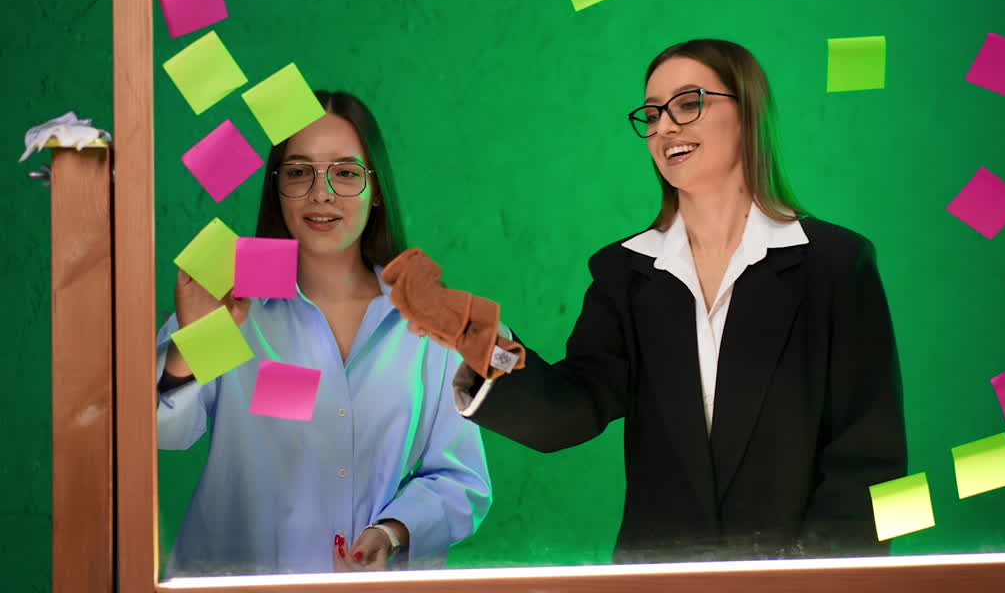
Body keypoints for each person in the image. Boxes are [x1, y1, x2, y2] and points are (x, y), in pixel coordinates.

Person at [442, 39, 907, 563]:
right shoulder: (625, 273)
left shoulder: (838, 265)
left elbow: (872, 460)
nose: (664, 127)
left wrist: (808, 580)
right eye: (652, 113)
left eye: (688, 104)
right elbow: (567, 410)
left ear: (747, 111)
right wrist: (482, 346)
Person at [156, 91, 492, 576]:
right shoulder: (227, 304)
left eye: (346, 172)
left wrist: (392, 532)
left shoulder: (427, 321)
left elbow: (462, 479)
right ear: (276, 188)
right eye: (298, 172)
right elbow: (159, 435)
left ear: (375, 189)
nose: (322, 193)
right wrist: (192, 341)